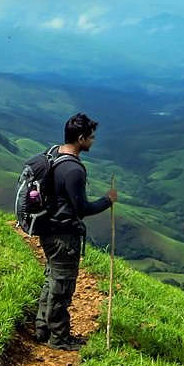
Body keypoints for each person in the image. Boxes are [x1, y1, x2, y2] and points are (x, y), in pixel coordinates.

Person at [34, 112, 117, 350]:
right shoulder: (74, 171)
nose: (93, 141)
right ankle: (58, 338)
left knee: (52, 281)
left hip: (48, 229)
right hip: (63, 235)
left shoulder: (55, 155)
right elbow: (81, 209)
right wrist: (107, 200)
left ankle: (42, 328)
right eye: (90, 137)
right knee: (62, 287)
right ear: (80, 138)